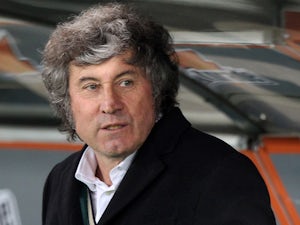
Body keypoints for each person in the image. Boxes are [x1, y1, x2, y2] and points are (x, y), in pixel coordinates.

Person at [41, 3, 276, 225]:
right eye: (91, 86)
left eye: (125, 82)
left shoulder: (221, 174)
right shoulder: (61, 180)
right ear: (67, 101)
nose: (110, 104)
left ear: (155, 87)